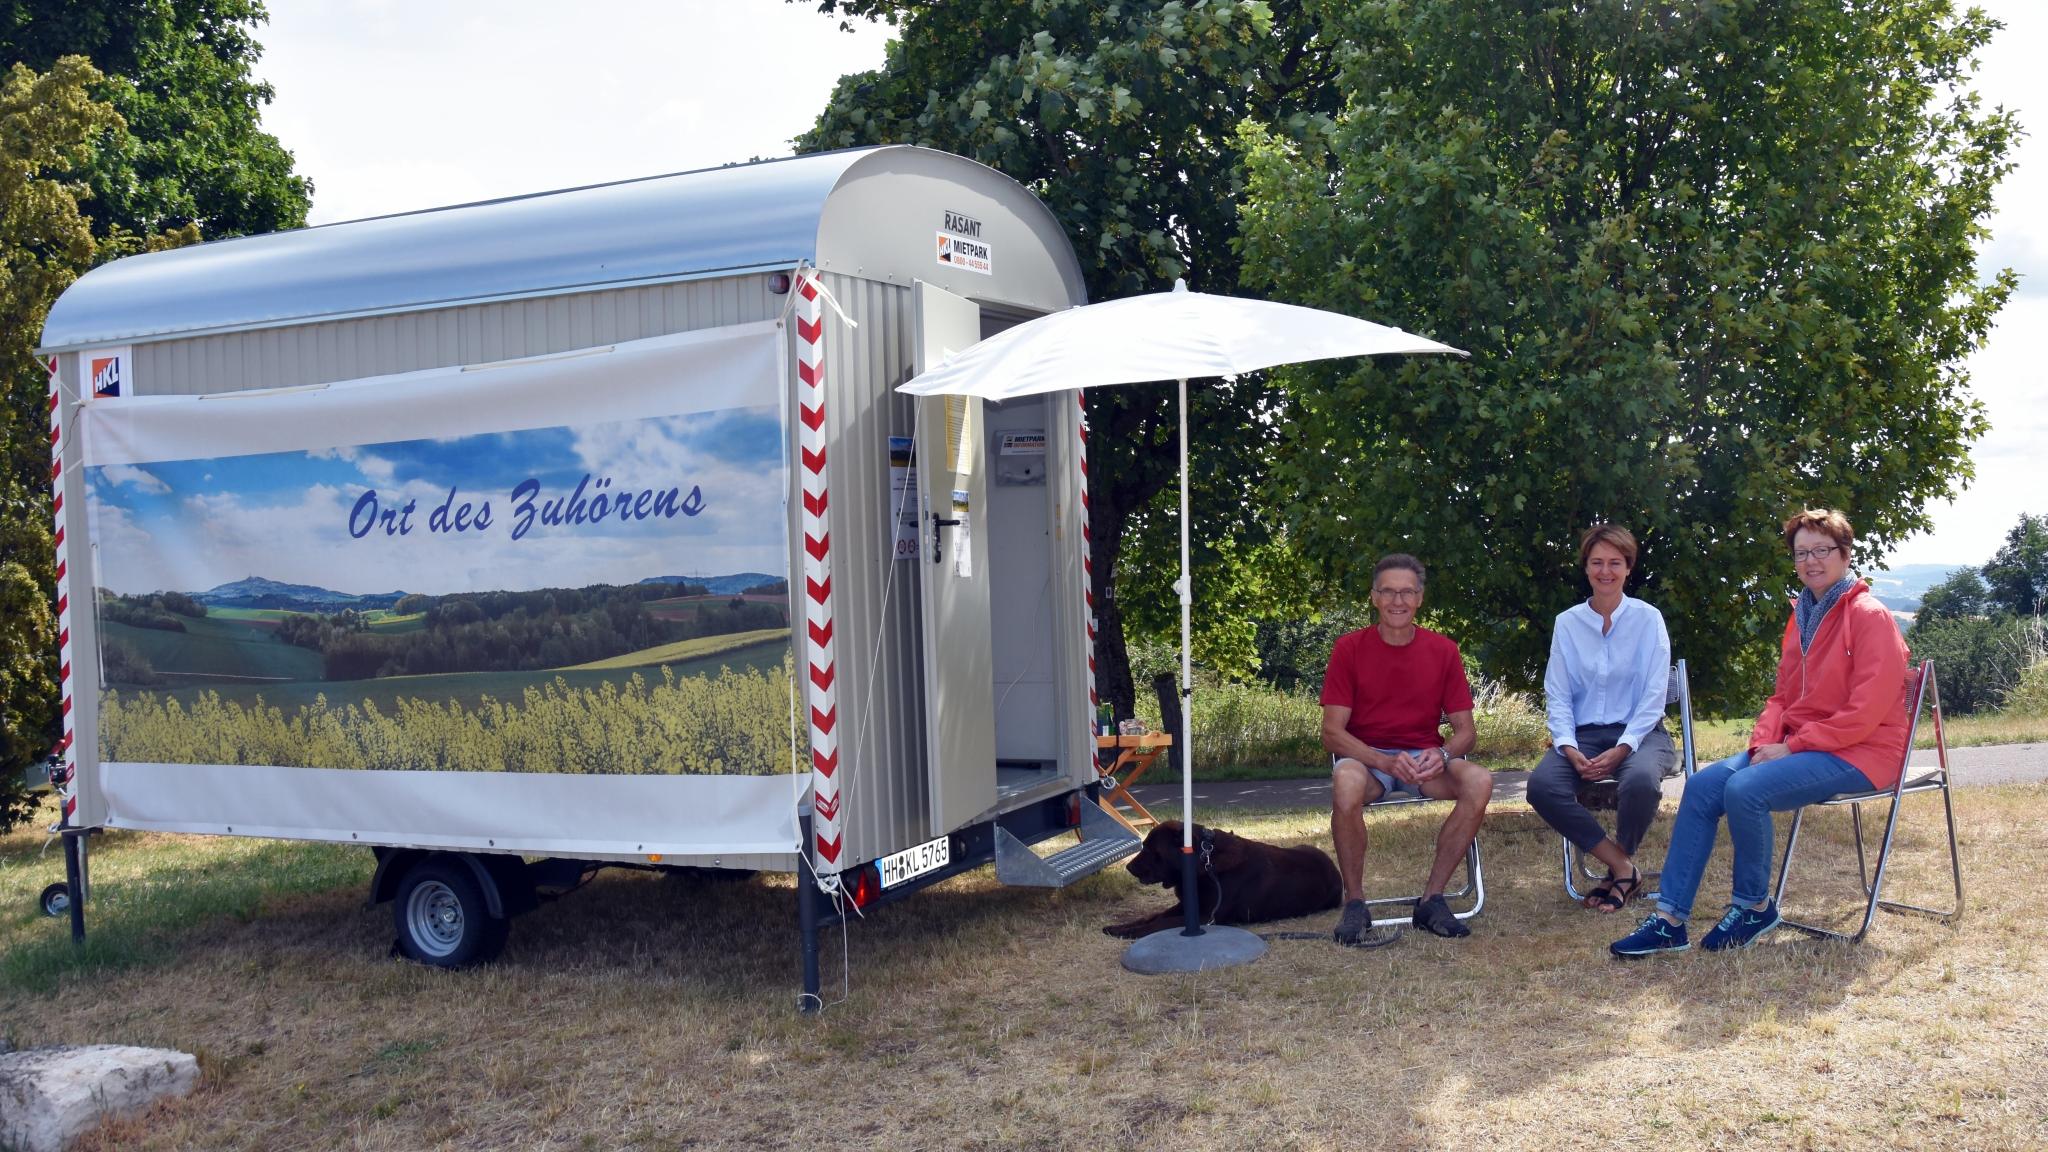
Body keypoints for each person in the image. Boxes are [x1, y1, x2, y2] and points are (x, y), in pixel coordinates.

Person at [1611, 509, 1910, 957]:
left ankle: (1754, 906)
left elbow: (1864, 714)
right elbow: (1781, 698)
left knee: (1746, 790)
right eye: (1801, 553)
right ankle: (1670, 920)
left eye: (1822, 551)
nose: (1811, 561)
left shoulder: (1869, 616)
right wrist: (1762, 744)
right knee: (1703, 786)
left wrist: (1791, 746)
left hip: (1864, 752)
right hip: (1802, 745)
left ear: (1845, 555)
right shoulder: (1803, 616)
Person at [1323, 554, 1493, 941]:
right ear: (1374, 597)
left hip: (1425, 759)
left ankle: (1432, 899)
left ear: (1419, 599)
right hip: (1368, 758)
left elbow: (1467, 731)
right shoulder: (1348, 648)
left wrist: (1445, 753)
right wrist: (1383, 760)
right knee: (1345, 781)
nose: (1397, 601)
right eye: (1388, 592)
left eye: (1406, 592)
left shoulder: (1444, 650)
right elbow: (1333, 733)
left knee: (1479, 781)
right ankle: (1355, 903)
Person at [1526, 524, 1675, 912]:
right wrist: (1567, 746)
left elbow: (1653, 695)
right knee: (1542, 786)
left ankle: (1618, 874)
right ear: (1586, 567)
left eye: (1615, 562)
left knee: (1641, 780)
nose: (1605, 571)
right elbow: (1557, 693)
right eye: (1596, 562)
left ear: (1629, 568)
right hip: (1583, 734)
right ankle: (1623, 867)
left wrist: (1625, 746)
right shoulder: (1568, 622)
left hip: (1642, 734)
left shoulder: (1648, 619)